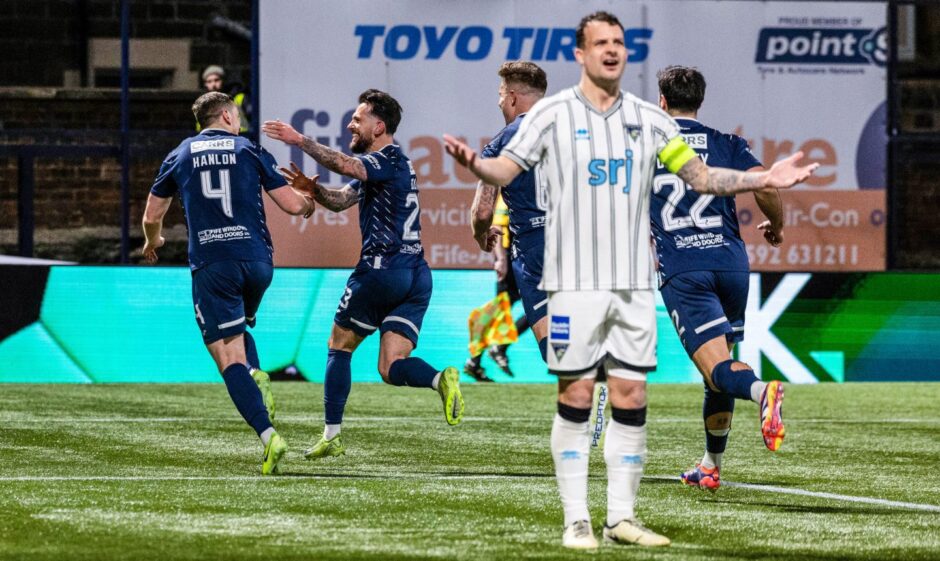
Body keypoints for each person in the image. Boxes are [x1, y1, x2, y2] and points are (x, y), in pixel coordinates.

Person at [443, 11, 818, 550]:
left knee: (634, 383)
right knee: (627, 379)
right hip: (672, 265)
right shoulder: (678, 135)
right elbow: (708, 180)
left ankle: (619, 510)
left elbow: (680, 179)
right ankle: (628, 499)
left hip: (629, 267)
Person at [261, 89, 464, 460]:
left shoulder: (385, 157)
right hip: (416, 274)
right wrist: (315, 191)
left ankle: (332, 434)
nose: (350, 125)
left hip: (381, 270)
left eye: (357, 119)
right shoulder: (389, 165)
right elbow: (340, 200)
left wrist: (298, 140)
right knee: (390, 366)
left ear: (379, 125)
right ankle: (440, 379)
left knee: (339, 346)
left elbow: (344, 164)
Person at [141, 91, 316, 475]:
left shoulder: (181, 154)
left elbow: (153, 213)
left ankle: (269, 435)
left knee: (226, 357)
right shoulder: (248, 149)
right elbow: (291, 204)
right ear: (225, 115)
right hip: (258, 263)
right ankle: (256, 374)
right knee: (238, 329)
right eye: (236, 117)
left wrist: (153, 241)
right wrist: (309, 201)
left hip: (213, 263)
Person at [651, 66, 787, 491]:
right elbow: (765, 187)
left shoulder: (649, 144)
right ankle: (710, 465)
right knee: (720, 367)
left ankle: (763, 390)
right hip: (731, 265)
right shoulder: (727, 142)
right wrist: (777, 227)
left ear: (662, 101)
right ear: (700, 101)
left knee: (717, 369)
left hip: (685, 270)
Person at [465, 61, 550, 382]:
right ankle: (483, 352)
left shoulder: (503, 146)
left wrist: (483, 241)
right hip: (582, 251)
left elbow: (483, 213)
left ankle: (488, 349)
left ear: (513, 97)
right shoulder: (578, 131)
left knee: (508, 305)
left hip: (530, 252)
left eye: (501, 95)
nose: (499, 102)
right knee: (508, 304)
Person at [200, 65, 250, 134]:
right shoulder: (202, 105)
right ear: (205, 84)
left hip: (239, 140)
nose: (213, 84)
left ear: (223, 81)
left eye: (216, 80)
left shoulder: (239, 97)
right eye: (209, 81)